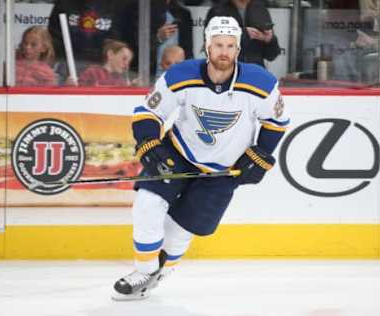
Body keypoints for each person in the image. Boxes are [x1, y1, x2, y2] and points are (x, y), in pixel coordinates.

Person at [112, 16, 289, 301]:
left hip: (224, 170)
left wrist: (259, 155)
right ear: (207, 46)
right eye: (218, 44)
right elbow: (148, 112)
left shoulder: (261, 82)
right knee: (148, 203)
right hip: (178, 155)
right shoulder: (181, 74)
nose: (224, 51)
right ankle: (143, 271)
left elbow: (276, 123)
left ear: (238, 48)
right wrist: (148, 143)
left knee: (178, 233)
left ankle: (160, 272)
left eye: (230, 45)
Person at [47, 0, 123, 82]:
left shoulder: (115, 4)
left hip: (103, 67)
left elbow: (120, 40)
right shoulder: (64, 4)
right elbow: (53, 36)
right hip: (68, 66)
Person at [205, 0, 281, 68]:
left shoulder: (260, 9)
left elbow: (271, 55)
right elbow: (210, 47)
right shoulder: (218, 10)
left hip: (254, 73)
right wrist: (244, 34)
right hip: (227, 73)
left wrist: (269, 40)